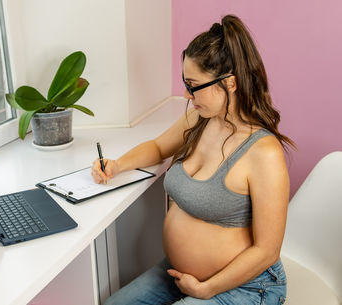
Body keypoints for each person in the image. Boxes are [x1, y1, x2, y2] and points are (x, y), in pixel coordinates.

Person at [91, 14, 295, 305]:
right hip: (179, 275)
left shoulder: (263, 152)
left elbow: (267, 251)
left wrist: (206, 289)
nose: (187, 94)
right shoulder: (198, 117)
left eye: (194, 85)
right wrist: (117, 164)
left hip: (247, 286)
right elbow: (158, 147)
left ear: (230, 83)